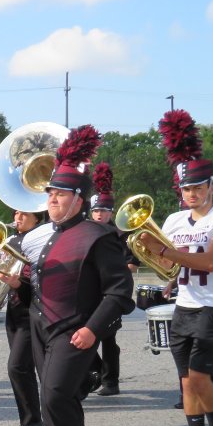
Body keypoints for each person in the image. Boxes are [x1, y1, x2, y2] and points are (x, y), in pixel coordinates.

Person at [0, 125, 134, 426]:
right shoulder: (49, 237)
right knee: (59, 400)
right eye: (51, 194)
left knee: (54, 396)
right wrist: (17, 286)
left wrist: (93, 329)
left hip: (74, 329)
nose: (52, 200)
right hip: (41, 327)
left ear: (79, 198)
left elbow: (120, 292)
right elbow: (39, 287)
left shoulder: (98, 236)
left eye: (59, 194)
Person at [138, 109, 213, 426]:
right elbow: (170, 264)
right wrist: (157, 258)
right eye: (186, 188)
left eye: (199, 186)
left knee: (200, 378)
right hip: (186, 305)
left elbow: (212, 260)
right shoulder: (172, 220)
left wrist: (166, 251)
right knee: (186, 384)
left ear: (212, 186)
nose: (192, 193)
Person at [0, 209, 45, 426]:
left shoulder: (41, 239)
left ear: (37, 218)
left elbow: (41, 279)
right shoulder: (11, 241)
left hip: (33, 310)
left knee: (17, 367)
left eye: (23, 214)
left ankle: (33, 421)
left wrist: (19, 284)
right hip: (15, 311)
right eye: (16, 213)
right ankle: (29, 420)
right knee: (23, 369)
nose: (17, 218)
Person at [87, 163, 137, 397]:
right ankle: (95, 372)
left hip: (110, 292)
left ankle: (111, 381)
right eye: (96, 210)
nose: (100, 214)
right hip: (89, 292)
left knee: (108, 339)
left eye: (104, 210)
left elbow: (131, 264)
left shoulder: (120, 235)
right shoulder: (85, 231)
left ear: (111, 212)